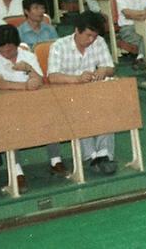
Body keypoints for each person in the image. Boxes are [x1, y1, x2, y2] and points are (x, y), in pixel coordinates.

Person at [0, 25, 66, 185]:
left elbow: (39, 80)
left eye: (10, 48)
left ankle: (55, 160)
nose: (7, 52)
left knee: (50, 113)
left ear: (16, 44)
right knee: (10, 122)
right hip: (3, 104)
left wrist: (28, 69)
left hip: (29, 102)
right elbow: (0, 83)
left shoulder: (27, 56)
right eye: (3, 49)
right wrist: (26, 86)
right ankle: (16, 170)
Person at [48, 11, 117, 175]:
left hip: (92, 93)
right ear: (77, 30)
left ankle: (104, 154)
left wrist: (103, 70)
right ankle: (91, 156)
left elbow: (110, 68)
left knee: (107, 106)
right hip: (67, 95)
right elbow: (53, 76)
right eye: (88, 35)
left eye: (94, 36)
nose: (91, 40)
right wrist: (77, 79)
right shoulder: (59, 46)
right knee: (79, 111)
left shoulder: (98, 42)